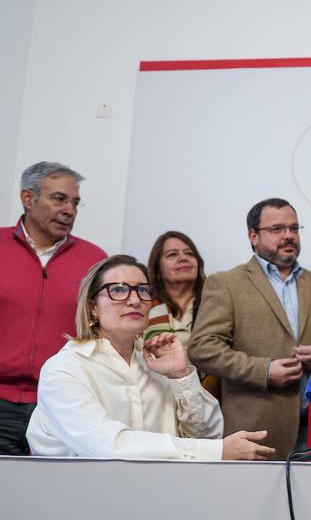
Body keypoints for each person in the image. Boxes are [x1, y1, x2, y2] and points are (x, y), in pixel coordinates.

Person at [26, 255, 273, 460]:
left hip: (155, 494)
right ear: (93, 307)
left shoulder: (157, 366)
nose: (135, 300)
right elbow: (108, 446)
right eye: (118, 290)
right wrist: (216, 451)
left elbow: (207, 435)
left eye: (143, 290)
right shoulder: (65, 369)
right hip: (77, 499)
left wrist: (181, 376)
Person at [188, 198, 311, 460]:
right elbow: (202, 347)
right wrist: (263, 371)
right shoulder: (226, 283)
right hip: (255, 431)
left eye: (294, 228)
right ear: (253, 236)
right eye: (277, 229)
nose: (288, 235)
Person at [0, 161, 106, 455]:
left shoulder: (95, 260)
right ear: (27, 198)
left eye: (75, 203)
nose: (69, 210)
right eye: (59, 199)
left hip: (63, 403)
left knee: (52, 484)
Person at [145, 231, 206, 349]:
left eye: (189, 253)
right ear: (157, 269)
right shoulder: (145, 305)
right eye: (172, 254)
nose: (183, 258)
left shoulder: (215, 301)